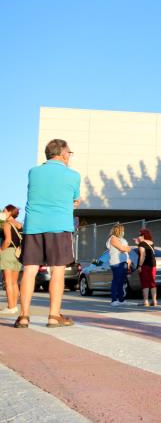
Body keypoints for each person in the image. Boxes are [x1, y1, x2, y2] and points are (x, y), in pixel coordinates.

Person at [15, 139, 80, 328]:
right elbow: (74, 199)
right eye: (69, 152)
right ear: (61, 153)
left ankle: (24, 316)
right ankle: (53, 316)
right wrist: (74, 203)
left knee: (29, 270)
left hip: (33, 225)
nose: (69, 156)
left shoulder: (33, 172)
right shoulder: (73, 175)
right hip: (59, 226)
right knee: (58, 271)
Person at [0, 205, 23, 314]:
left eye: (4, 211)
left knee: (8, 282)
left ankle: (10, 306)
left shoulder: (6, 224)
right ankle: (14, 306)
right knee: (14, 282)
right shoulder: (20, 225)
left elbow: (8, 241)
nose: (3, 213)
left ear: (9, 212)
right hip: (17, 253)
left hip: (8, 252)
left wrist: (0, 250)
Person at [107, 224, 132, 306]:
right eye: (122, 230)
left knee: (121, 281)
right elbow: (122, 248)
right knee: (116, 281)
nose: (123, 232)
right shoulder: (113, 238)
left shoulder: (121, 239)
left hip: (123, 262)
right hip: (116, 262)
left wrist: (125, 249)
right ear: (118, 230)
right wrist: (125, 248)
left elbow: (127, 249)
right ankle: (114, 300)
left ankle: (121, 299)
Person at [137, 228, 157, 307]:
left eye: (140, 234)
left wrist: (139, 266)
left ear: (143, 235)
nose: (139, 236)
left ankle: (146, 301)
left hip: (145, 265)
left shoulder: (141, 244)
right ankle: (154, 301)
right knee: (152, 283)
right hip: (153, 265)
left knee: (145, 283)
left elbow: (143, 255)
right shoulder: (152, 243)